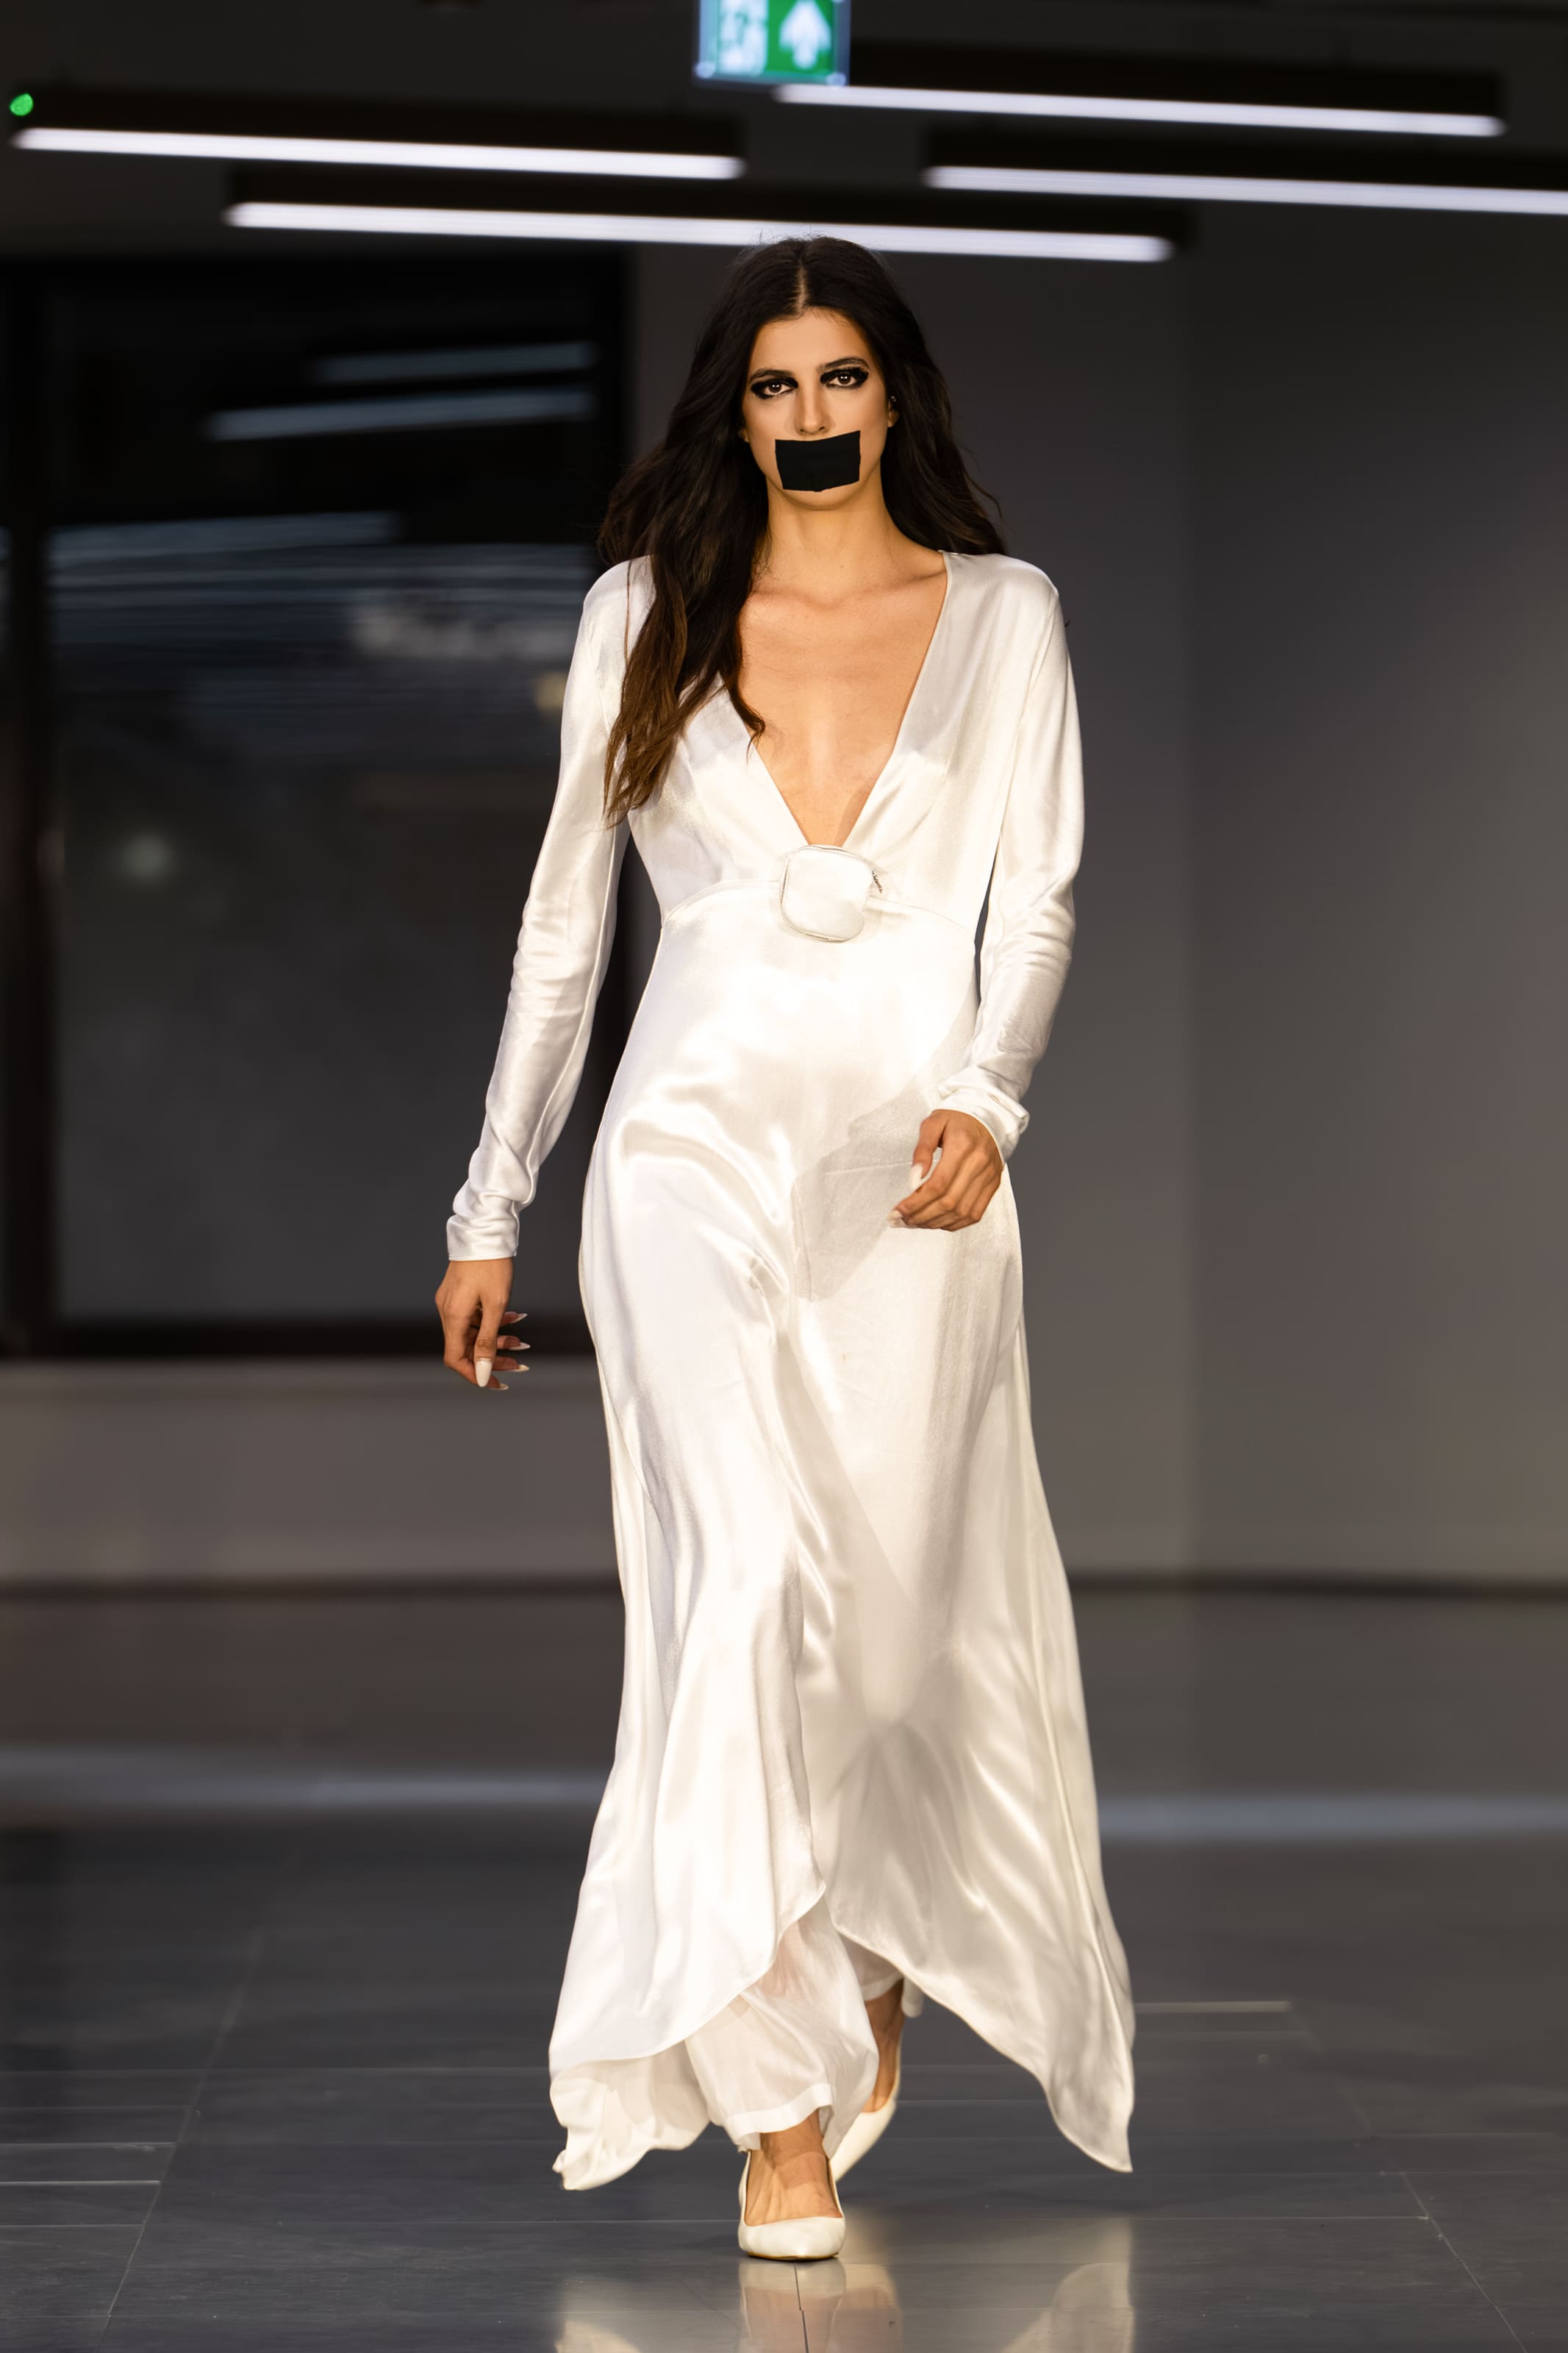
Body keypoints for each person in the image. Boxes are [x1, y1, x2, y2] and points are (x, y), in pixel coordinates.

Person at [437, 235, 1134, 2261]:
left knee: (895, 1635)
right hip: (689, 1149)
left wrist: (993, 1100)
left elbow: (1040, 897)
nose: (810, 415)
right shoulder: (642, 614)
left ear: (895, 393)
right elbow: (566, 926)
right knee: (735, 1579)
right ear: (731, 411)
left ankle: (868, 1940)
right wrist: (493, 1198)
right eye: (772, 384)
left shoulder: (1004, 615)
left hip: (912, 1162)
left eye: (839, 378)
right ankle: (776, 2104)